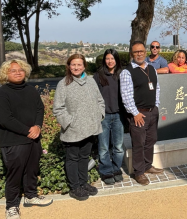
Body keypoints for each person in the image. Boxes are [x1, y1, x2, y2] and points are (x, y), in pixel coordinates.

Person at [0, 60, 53, 219]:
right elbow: (5, 119)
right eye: (13, 71)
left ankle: (31, 196)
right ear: (6, 74)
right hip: (13, 141)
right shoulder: (1, 94)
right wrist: (28, 130)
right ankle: (11, 207)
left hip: (33, 138)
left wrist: (38, 126)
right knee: (15, 175)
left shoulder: (30, 90)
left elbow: (40, 109)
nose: (18, 73)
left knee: (32, 170)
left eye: (20, 70)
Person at [53, 54, 105, 201]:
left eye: (79, 65)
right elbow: (58, 108)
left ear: (84, 66)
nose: (76, 67)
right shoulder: (63, 84)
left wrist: (99, 114)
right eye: (73, 65)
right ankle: (75, 187)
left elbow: (100, 100)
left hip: (90, 127)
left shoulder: (90, 81)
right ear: (69, 66)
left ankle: (83, 182)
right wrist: (69, 122)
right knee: (72, 158)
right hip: (73, 130)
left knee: (84, 157)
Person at [120, 41, 163, 186]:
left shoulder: (151, 68)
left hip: (152, 112)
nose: (139, 54)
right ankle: (139, 172)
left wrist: (156, 106)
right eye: (136, 52)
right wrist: (135, 113)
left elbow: (156, 89)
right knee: (138, 143)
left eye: (141, 51)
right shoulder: (127, 72)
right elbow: (126, 95)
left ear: (145, 52)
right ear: (132, 54)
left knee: (150, 140)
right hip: (139, 114)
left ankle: (147, 165)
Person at [93, 49, 125, 185]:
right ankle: (106, 170)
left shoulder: (122, 75)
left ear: (116, 60)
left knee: (118, 146)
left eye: (112, 58)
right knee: (104, 147)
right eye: (107, 59)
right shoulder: (98, 76)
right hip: (104, 116)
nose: (110, 61)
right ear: (104, 60)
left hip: (119, 115)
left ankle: (116, 168)